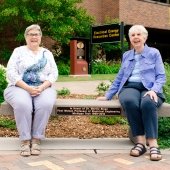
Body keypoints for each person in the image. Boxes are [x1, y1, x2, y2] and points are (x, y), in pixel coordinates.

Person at [97, 25, 166, 161]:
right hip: (130, 87)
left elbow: (161, 76)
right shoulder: (127, 55)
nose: (135, 37)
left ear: (145, 37)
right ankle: (140, 142)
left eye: (138, 34)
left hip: (150, 88)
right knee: (129, 101)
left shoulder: (154, 53)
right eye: (133, 35)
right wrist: (108, 95)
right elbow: (120, 77)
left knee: (148, 103)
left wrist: (154, 90)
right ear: (130, 39)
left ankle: (153, 143)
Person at [4, 24, 58, 156]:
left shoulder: (48, 53)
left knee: (45, 104)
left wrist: (42, 86)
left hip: (43, 87)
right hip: (19, 86)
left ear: (40, 37)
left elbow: (54, 73)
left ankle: (36, 139)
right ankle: (25, 140)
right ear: (25, 37)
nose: (34, 37)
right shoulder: (18, 51)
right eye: (31, 34)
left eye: (36, 34)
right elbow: (11, 72)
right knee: (23, 104)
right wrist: (27, 88)